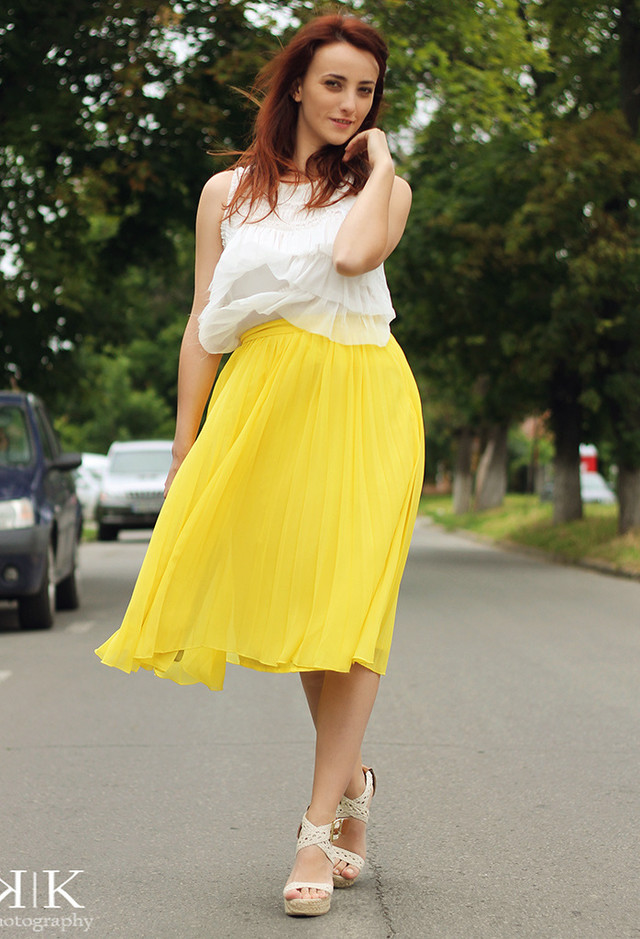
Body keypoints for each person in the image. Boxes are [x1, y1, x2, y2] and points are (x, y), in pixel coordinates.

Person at [95, 13, 424, 918]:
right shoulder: (225, 193)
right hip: (262, 401)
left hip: (364, 399)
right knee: (304, 611)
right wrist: (184, 445)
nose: (350, 105)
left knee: (349, 602)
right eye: (334, 86)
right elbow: (204, 324)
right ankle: (354, 777)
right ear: (295, 87)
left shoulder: (382, 191)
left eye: (366, 91)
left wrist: (384, 157)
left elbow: (356, 254)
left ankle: (317, 823)